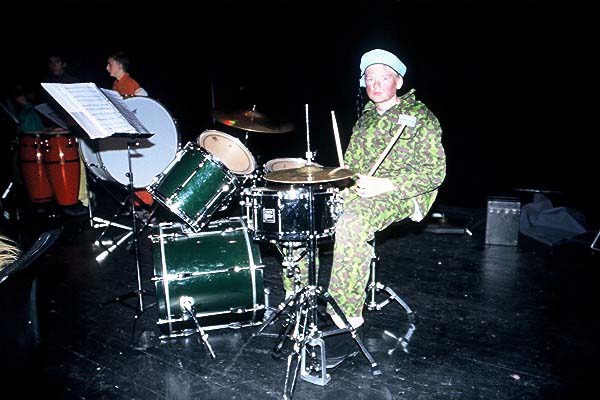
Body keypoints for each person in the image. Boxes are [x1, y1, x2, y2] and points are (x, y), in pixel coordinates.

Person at [284, 48, 447, 363]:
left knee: (353, 222)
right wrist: (330, 179)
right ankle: (299, 300)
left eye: (383, 77)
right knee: (302, 211)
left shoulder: (421, 117)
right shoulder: (366, 120)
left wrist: (384, 184)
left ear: (398, 82)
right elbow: (352, 169)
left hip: (404, 193)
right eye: (370, 78)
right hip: (362, 189)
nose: (376, 84)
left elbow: (434, 173)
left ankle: (345, 322)